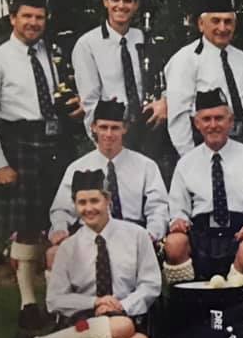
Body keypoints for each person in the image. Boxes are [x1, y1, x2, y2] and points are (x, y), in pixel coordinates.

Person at [0, 0, 79, 328]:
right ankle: (28, 304)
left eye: (39, 17)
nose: (34, 23)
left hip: (57, 144)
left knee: (60, 221)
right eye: (27, 16)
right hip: (20, 145)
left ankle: (59, 303)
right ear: (13, 18)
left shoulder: (54, 55)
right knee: (26, 227)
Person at [4, 169, 161, 338]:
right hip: (82, 321)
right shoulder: (68, 247)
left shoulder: (137, 235)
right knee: (123, 327)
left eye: (94, 201)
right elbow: (54, 300)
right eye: (82, 203)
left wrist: (121, 306)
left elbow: (150, 285)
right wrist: (95, 302)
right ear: (75, 205)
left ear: (108, 201)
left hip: (128, 312)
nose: (88, 209)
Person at [47, 99, 169, 270]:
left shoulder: (145, 166)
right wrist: (60, 229)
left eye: (115, 128)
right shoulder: (78, 167)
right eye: (103, 127)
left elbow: (158, 207)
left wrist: (151, 234)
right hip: (91, 234)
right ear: (93, 127)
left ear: (124, 128)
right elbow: (61, 208)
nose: (109, 134)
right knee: (54, 253)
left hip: (133, 234)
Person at [162, 89, 243, 285]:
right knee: (174, 244)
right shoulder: (186, 163)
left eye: (219, 118)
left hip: (239, 232)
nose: (213, 125)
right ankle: (186, 299)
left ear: (230, 121)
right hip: (201, 234)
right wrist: (179, 220)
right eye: (206, 119)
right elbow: (179, 208)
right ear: (197, 123)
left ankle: (237, 298)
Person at [71, 0, 167, 142]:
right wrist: (101, 142)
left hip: (148, 129)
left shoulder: (145, 39)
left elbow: (161, 82)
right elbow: (90, 102)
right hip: (111, 131)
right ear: (105, 1)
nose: (121, 6)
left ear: (136, 4)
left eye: (127, 0)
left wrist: (164, 101)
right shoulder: (87, 44)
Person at [165, 0, 243, 155]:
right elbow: (179, 116)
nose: (223, 28)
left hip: (242, 143)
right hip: (204, 143)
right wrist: (190, 157)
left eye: (228, 22)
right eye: (216, 21)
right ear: (201, 24)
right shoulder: (185, 60)